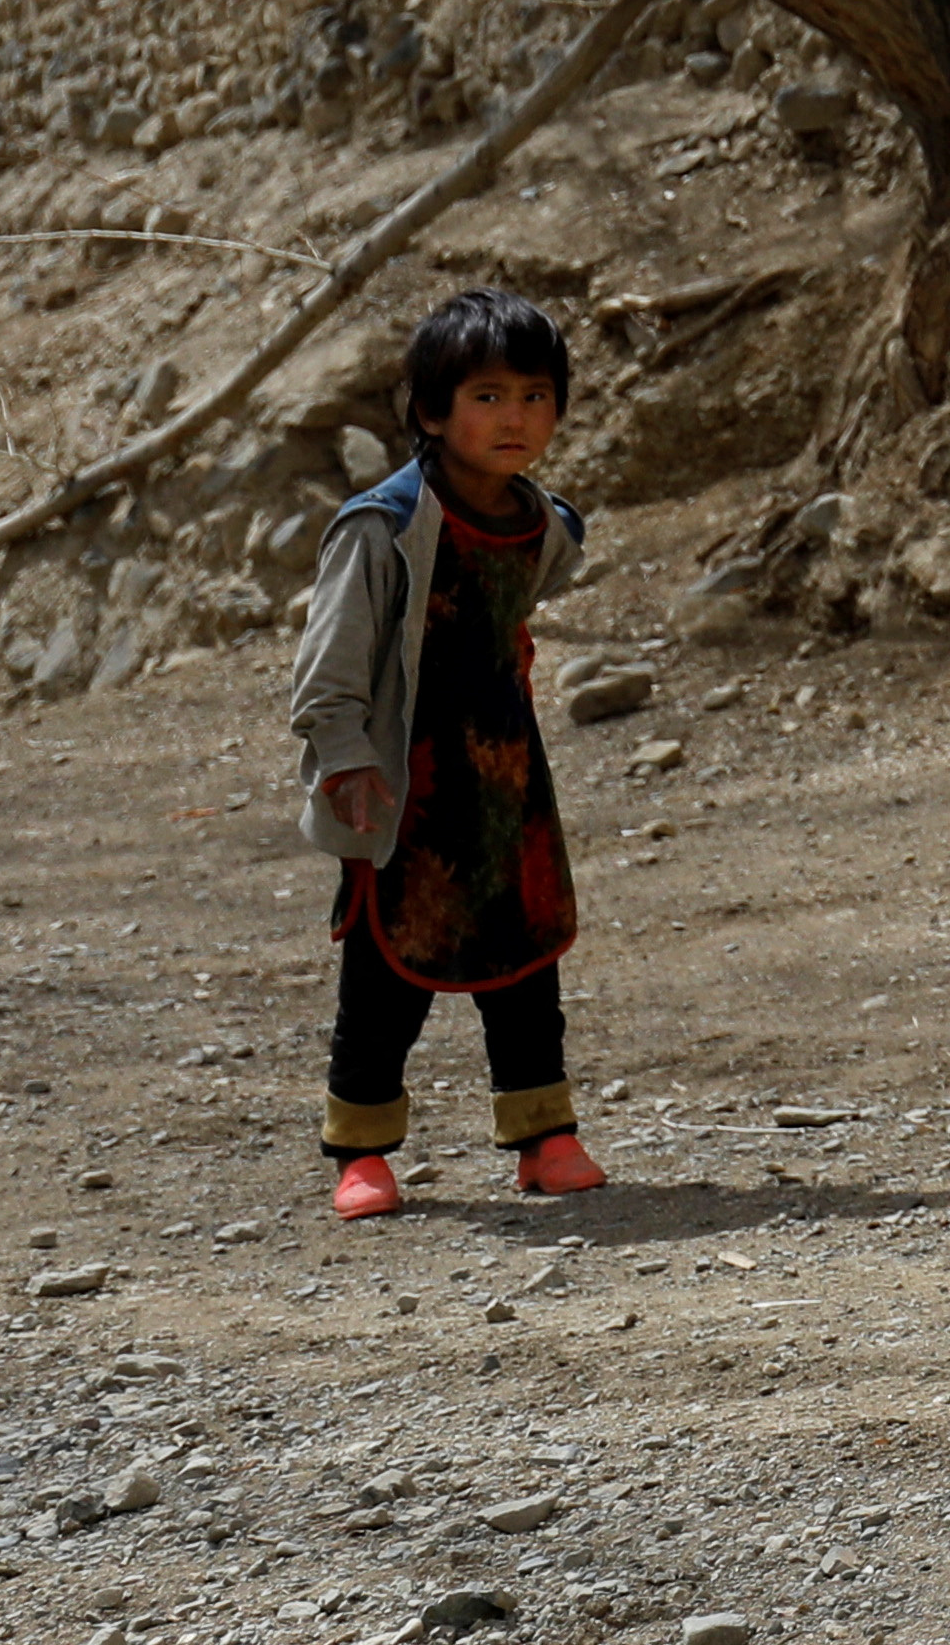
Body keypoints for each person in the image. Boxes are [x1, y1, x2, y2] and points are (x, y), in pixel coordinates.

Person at [287, 287, 603, 1220]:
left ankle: (546, 1140)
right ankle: (363, 1153)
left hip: (507, 783)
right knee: (389, 975)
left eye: (537, 396)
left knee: (524, 959)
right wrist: (346, 759)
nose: (517, 418)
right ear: (431, 410)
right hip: (407, 788)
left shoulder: (542, 523)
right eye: (490, 396)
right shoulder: (381, 528)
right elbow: (330, 668)